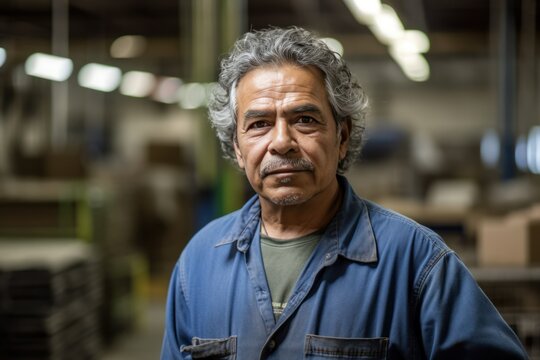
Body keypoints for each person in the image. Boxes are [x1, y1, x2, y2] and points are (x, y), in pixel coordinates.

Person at [161, 26, 528, 359]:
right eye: (259, 124)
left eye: (305, 119)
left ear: (342, 137)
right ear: (238, 149)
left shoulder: (416, 262)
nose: (282, 142)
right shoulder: (198, 264)